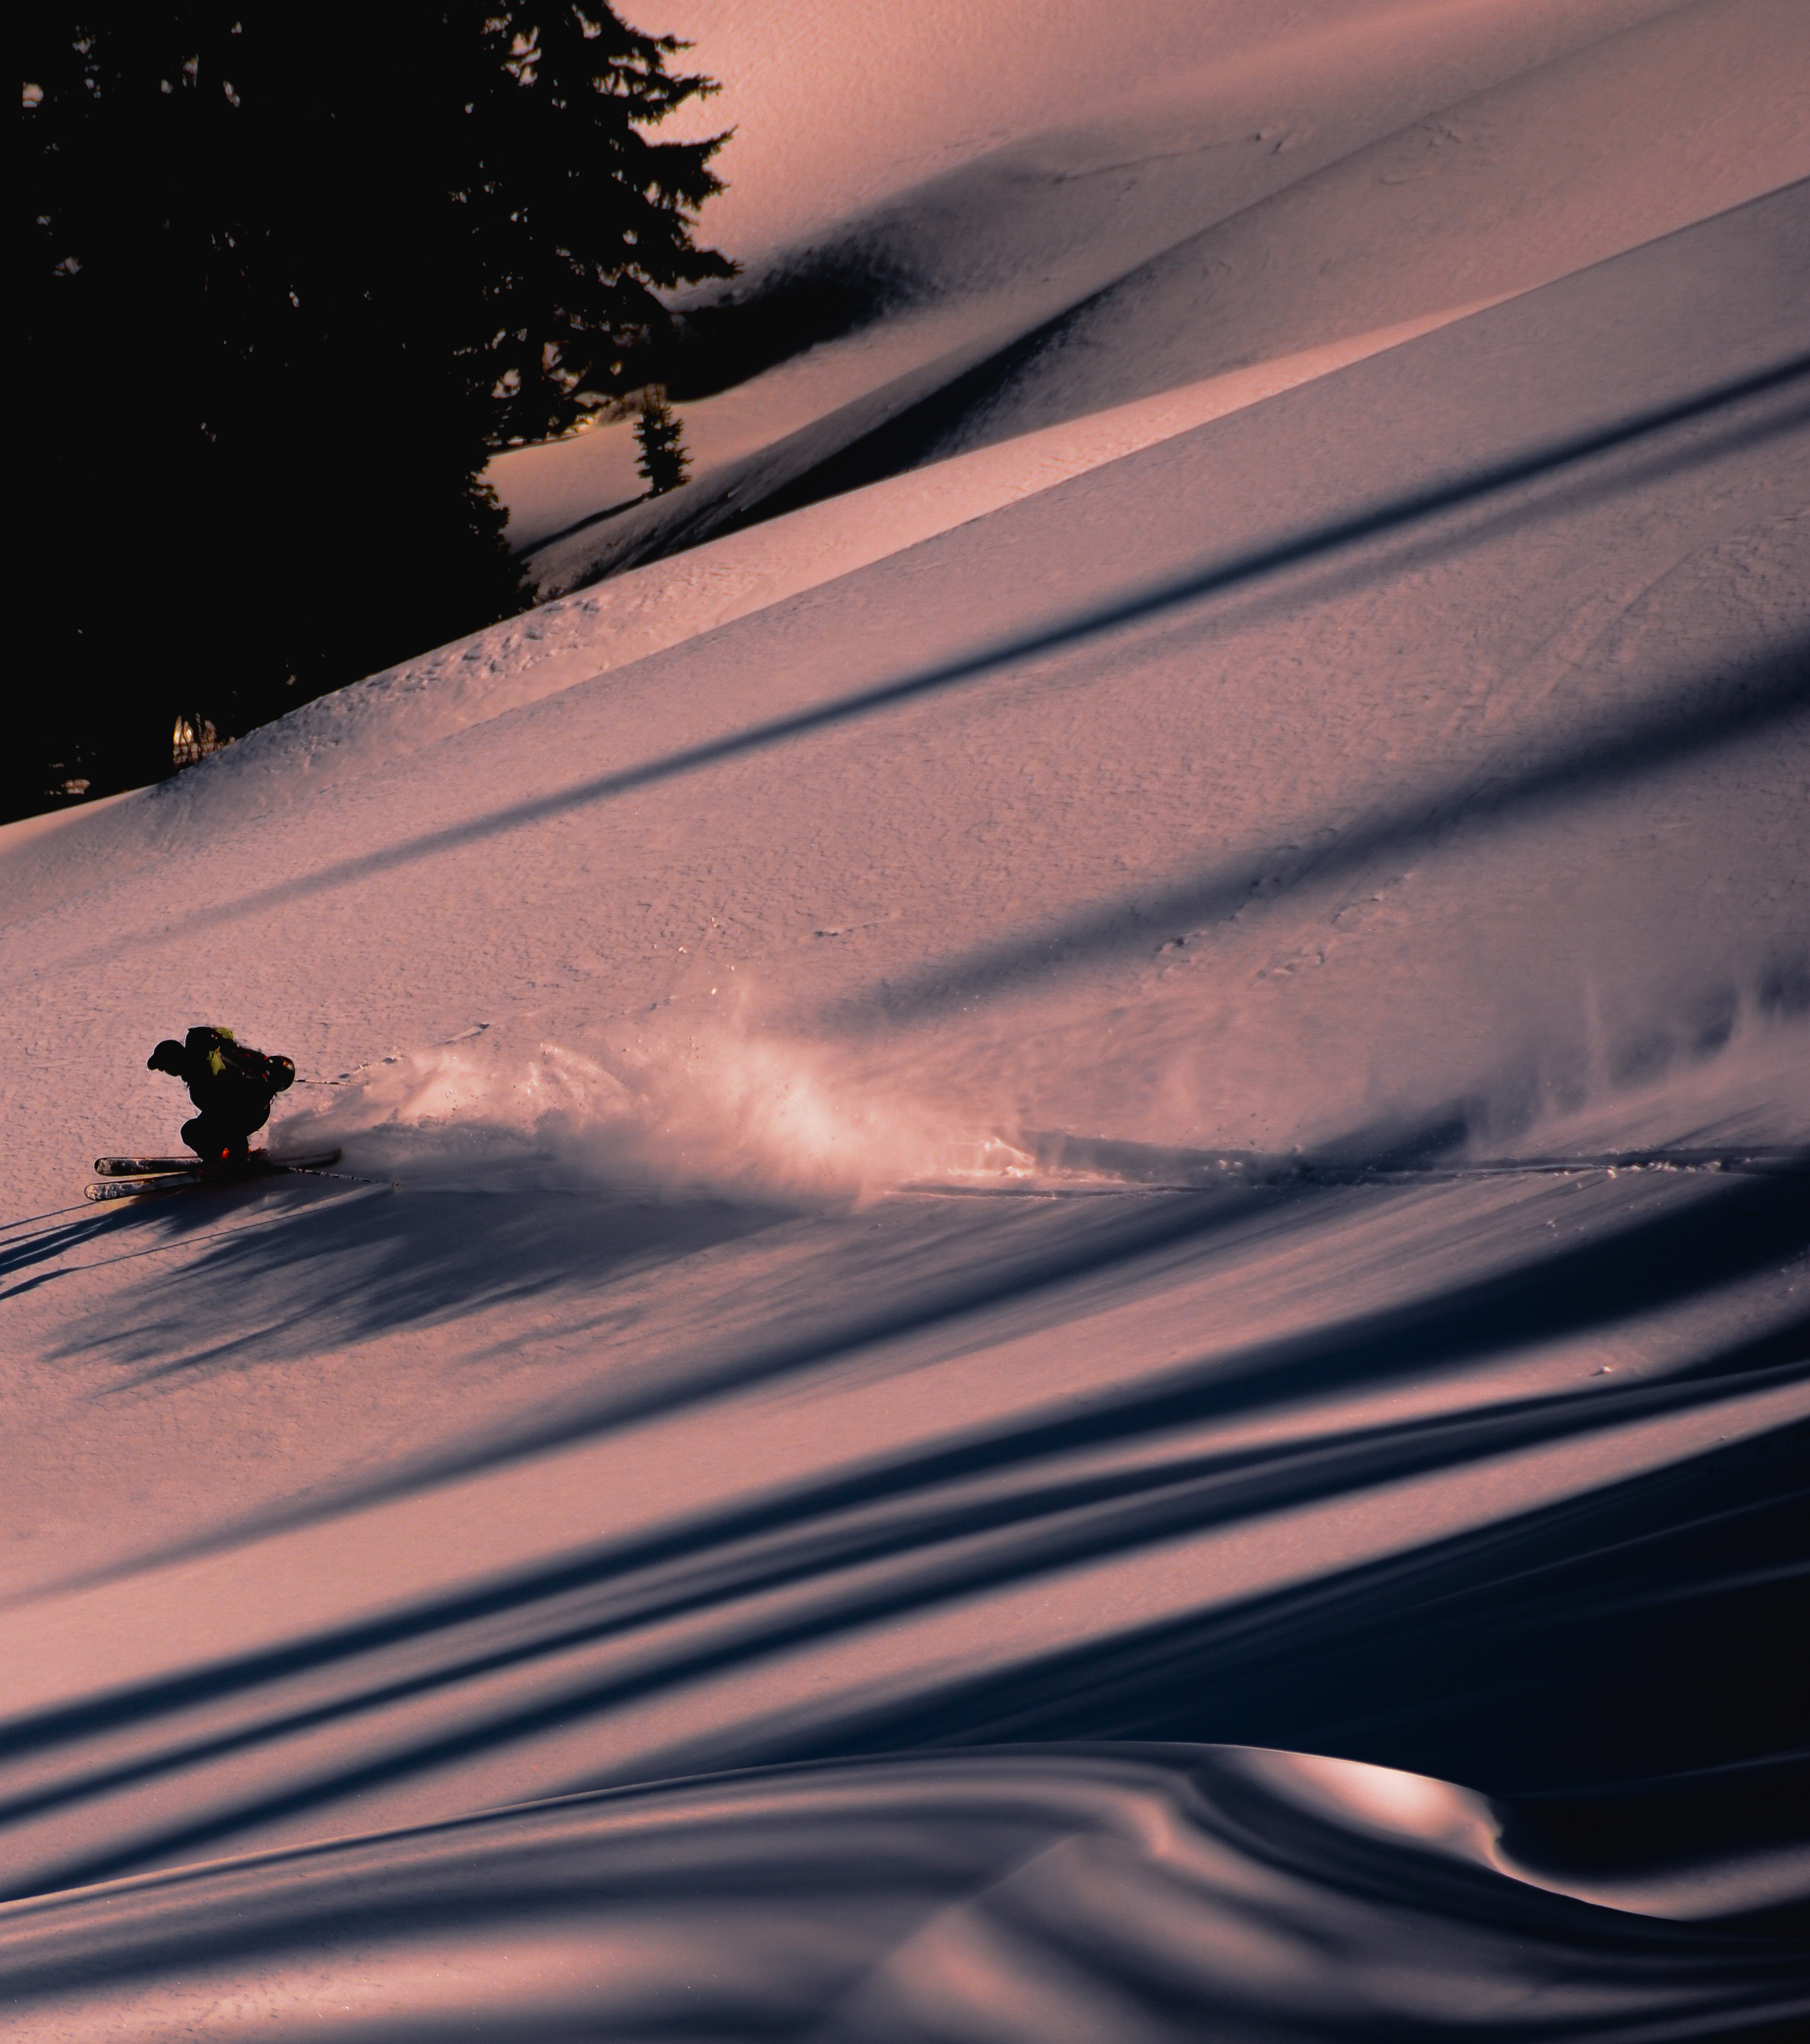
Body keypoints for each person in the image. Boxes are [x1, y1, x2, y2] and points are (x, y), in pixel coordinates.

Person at [147, 1026, 296, 1169]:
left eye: (165, 1067)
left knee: (192, 1132)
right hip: (250, 1111)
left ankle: (226, 1160)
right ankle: (226, 1156)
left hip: (251, 1112)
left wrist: (238, 1155)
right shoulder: (201, 1065)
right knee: (202, 1126)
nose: (165, 1071)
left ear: (173, 1062)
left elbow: (231, 1116)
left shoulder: (202, 1072)